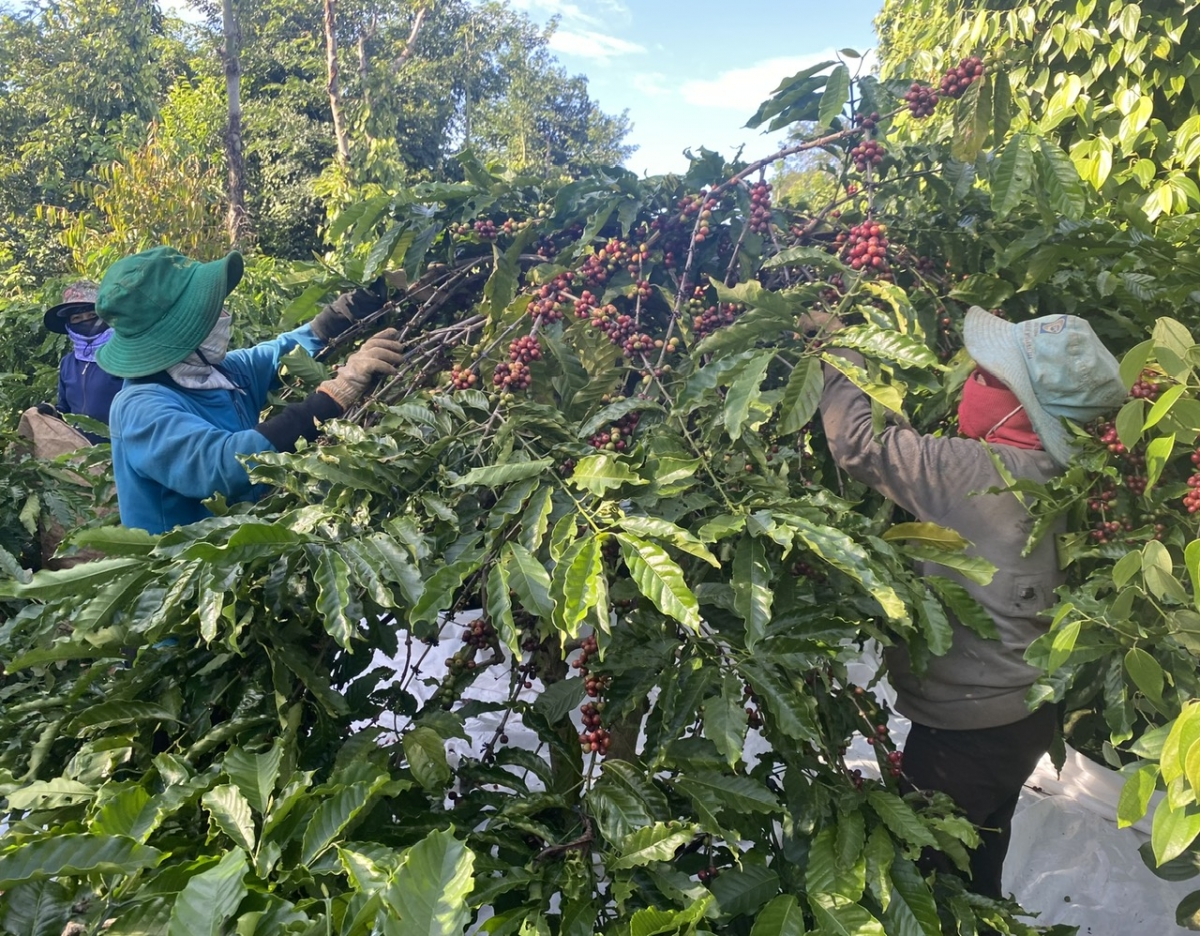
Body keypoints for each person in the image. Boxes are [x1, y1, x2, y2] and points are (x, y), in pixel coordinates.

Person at [814, 306, 1127, 898]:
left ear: (1023, 410)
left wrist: (839, 350)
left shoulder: (971, 470)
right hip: (1025, 713)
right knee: (982, 835)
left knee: (923, 878)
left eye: (987, 378)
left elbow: (855, 446)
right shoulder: (1070, 477)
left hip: (964, 728)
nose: (970, 382)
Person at [94, 246, 405, 535]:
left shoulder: (218, 371)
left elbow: (282, 351)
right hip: (188, 576)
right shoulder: (139, 408)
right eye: (207, 311)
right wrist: (332, 397)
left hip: (246, 543)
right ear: (177, 332)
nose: (223, 315)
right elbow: (222, 466)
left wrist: (364, 300)